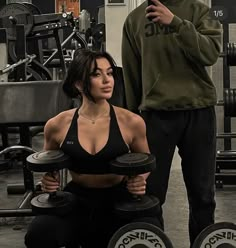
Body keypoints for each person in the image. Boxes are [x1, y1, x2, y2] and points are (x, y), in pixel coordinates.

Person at [24, 49, 161, 248]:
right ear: (78, 83)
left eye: (110, 73)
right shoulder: (57, 125)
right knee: (39, 233)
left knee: (149, 230)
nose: (107, 80)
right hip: (77, 201)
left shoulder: (131, 122)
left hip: (119, 200)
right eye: (97, 74)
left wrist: (140, 179)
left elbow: (146, 162)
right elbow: (49, 165)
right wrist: (48, 181)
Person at [121, 0, 222, 246]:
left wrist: (176, 24)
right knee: (150, 194)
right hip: (156, 116)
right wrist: (130, 121)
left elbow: (210, 54)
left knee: (202, 195)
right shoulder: (135, 19)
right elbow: (131, 74)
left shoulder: (199, 12)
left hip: (198, 111)